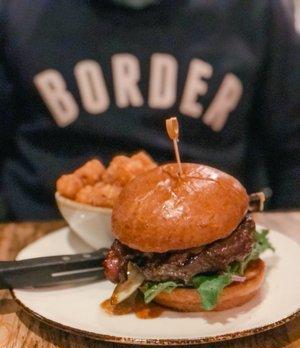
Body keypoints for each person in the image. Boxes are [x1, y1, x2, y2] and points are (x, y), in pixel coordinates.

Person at [0, 0, 299, 220]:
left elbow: (293, 150)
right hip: (45, 238)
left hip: (208, 233)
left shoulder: (257, 11)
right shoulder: (16, 12)